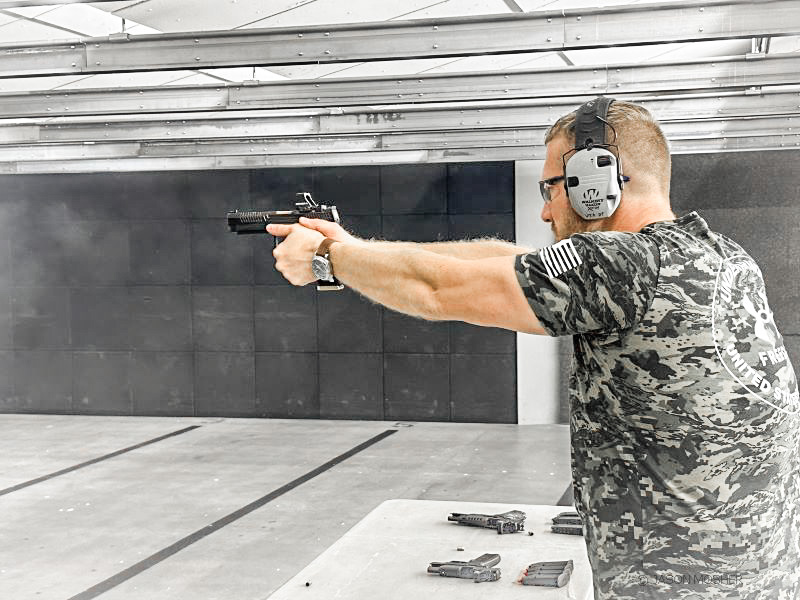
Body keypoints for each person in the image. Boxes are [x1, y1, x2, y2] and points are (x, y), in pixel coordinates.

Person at [267, 97, 799, 599]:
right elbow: (506, 261)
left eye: (551, 189)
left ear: (597, 179)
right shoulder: (713, 253)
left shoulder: (621, 265)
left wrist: (326, 261)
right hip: (750, 571)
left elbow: (438, 290)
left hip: (679, 584)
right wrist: (355, 248)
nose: (546, 213)